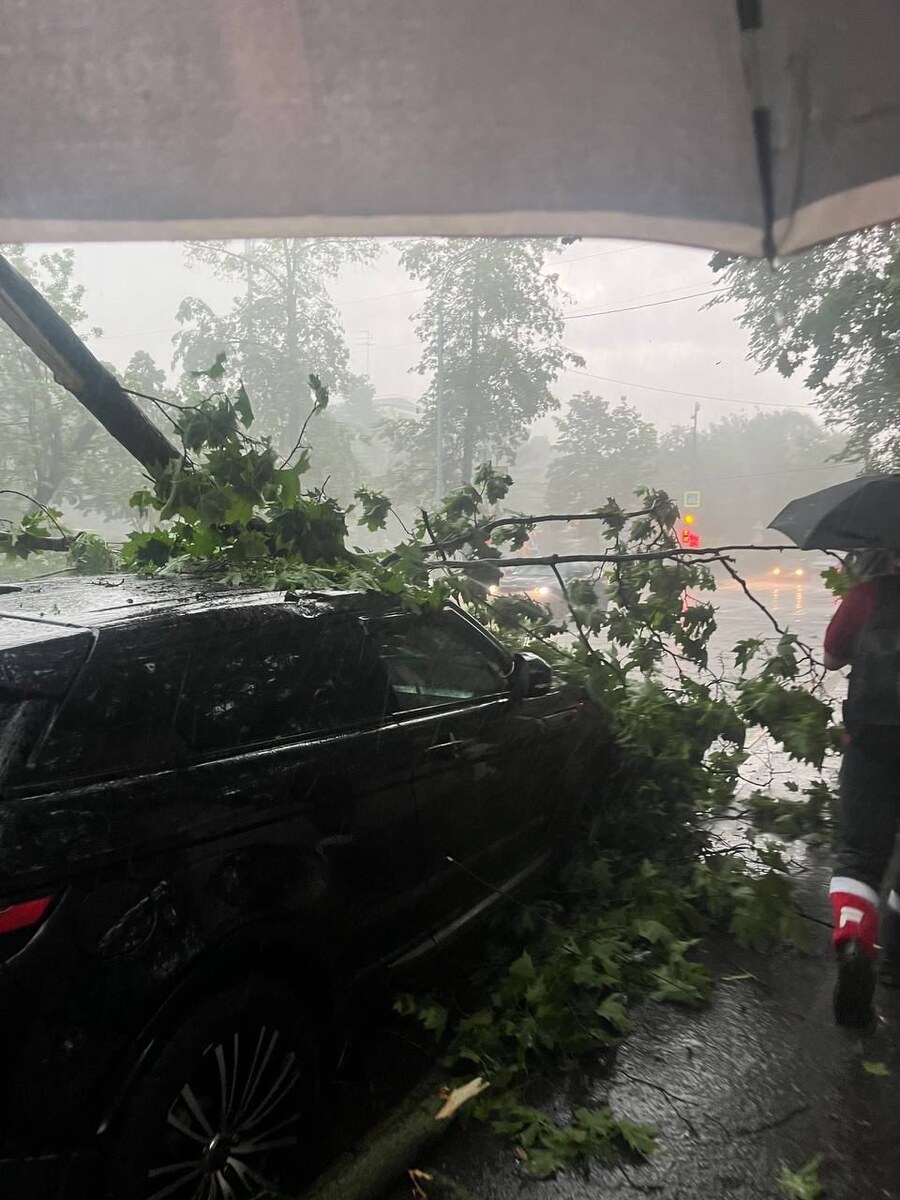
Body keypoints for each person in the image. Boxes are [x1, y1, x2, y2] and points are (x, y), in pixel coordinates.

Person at [824, 547, 900, 1028]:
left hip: (871, 747)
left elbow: (832, 657)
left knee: (860, 855)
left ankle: (854, 941)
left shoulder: (868, 594)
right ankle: (896, 950)